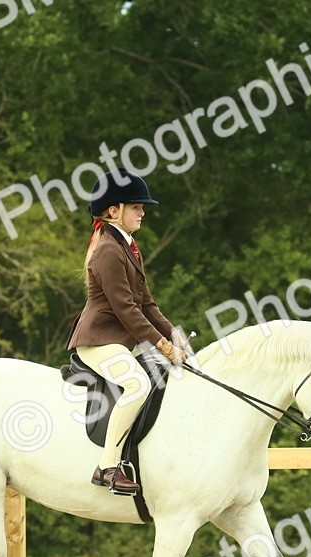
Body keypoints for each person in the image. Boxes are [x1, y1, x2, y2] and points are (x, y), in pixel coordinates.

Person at [65, 169, 189, 493]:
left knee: (164, 377)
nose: (143, 212)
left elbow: (147, 303)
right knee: (137, 384)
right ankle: (107, 467)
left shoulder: (128, 246)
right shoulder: (107, 250)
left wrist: (177, 338)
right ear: (114, 210)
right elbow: (126, 309)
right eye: (137, 206)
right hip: (99, 339)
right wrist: (162, 346)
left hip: (120, 339)